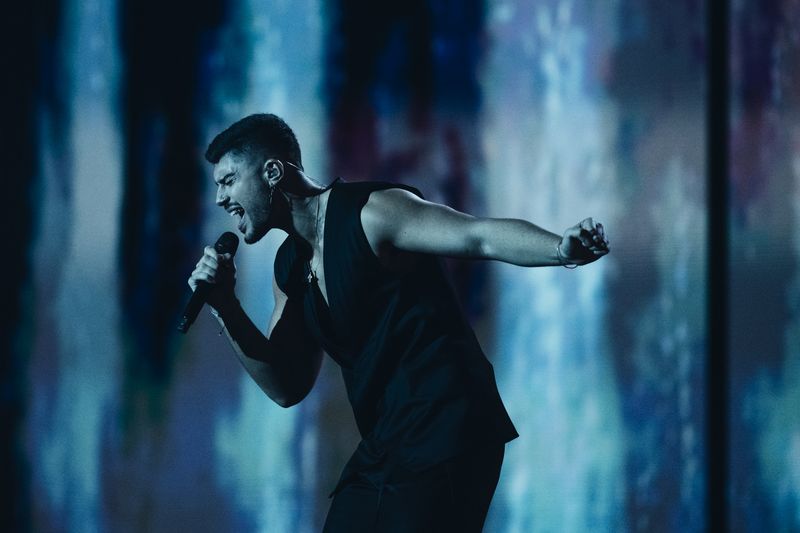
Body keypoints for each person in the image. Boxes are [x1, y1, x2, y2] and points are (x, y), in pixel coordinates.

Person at [188, 113, 610, 532]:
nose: (221, 198)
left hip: (448, 429)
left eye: (228, 181)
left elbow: (475, 235)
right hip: (384, 447)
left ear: (273, 172)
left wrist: (561, 250)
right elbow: (287, 385)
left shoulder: (371, 212)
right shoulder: (290, 269)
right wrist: (226, 306)